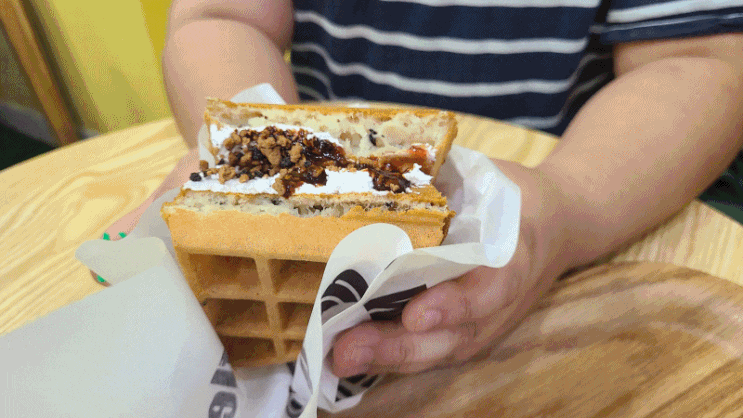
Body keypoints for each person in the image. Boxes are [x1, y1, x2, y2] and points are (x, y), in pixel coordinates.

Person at [106, 0, 743, 378]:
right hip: (306, 157)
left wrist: (568, 203)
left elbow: (702, 60)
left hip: (573, 211)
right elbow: (221, 15)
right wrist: (244, 146)